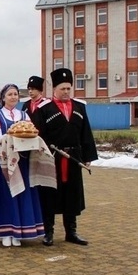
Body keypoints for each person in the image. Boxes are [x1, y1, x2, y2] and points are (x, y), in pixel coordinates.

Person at [31, 68, 98, 247]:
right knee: (50, 195)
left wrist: (87, 155)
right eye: (63, 89)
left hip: (74, 157)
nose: (66, 92)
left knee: (72, 195)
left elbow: (86, 133)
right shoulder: (44, 109)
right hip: (52, 157)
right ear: (55, 89)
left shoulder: (79, 107)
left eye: (69, 88)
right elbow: (37, 134)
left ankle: (71, 232)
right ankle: (48, 232)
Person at [0, 83, 56, 247]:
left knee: (21, 193)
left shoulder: (24, 115)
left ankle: (19, 231)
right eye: (10, 94)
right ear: (3, 98)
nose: (13, 97)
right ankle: (4, 232)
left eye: (15, 94)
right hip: (3, 162)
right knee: (5, 195)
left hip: (22, 161)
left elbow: (32, 133)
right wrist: (10, 140)